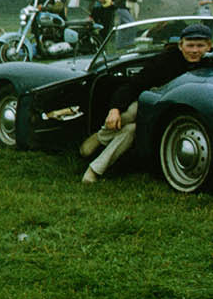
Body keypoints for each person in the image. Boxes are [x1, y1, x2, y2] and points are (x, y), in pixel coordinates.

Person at [81, 22, 210, 183]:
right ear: (180, 45)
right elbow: (133, 85)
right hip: (150, 104)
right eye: (190, 45)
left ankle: (95, 166)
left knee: (131, 130)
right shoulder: (164, 60)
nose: (195, 50)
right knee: (131, 116)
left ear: (209, 46)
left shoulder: (209, 63)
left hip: (173, 111)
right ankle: (100, 141)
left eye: (200, 45)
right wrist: (114, 109)